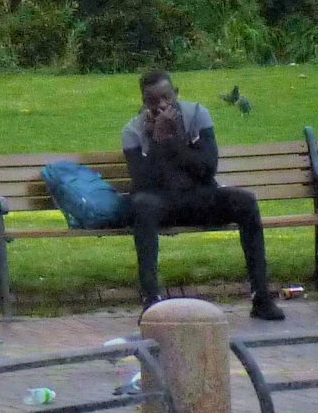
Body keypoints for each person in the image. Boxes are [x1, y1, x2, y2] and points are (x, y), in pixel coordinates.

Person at [121, 68, 283, 321]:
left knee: (246, 203)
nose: (162, 106)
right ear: (144, 102)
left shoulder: (197, 115)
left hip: (199, 197)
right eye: (153, 102)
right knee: (143, 206)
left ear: (176, 93)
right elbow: (144, 182)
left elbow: (207, 168)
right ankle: (151, 299)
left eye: (166, 98)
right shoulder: (133, 131)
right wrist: (158, 140)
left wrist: (173, 143)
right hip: (161, 203)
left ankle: (261, 297)